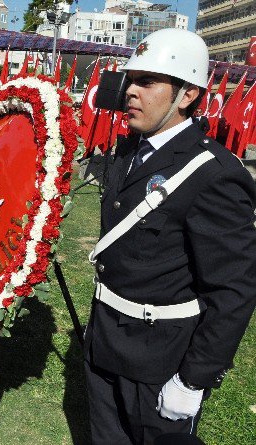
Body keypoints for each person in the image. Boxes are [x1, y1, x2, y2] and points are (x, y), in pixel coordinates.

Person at [84, 28, 256, 444]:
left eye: (148, 81)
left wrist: (193, 380)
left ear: (188, 94)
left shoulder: (213, 173)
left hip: (160, 359)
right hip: (104, 339)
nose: (131, 91)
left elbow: (234, 289)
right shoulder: (129, 152)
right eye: (132, 79)